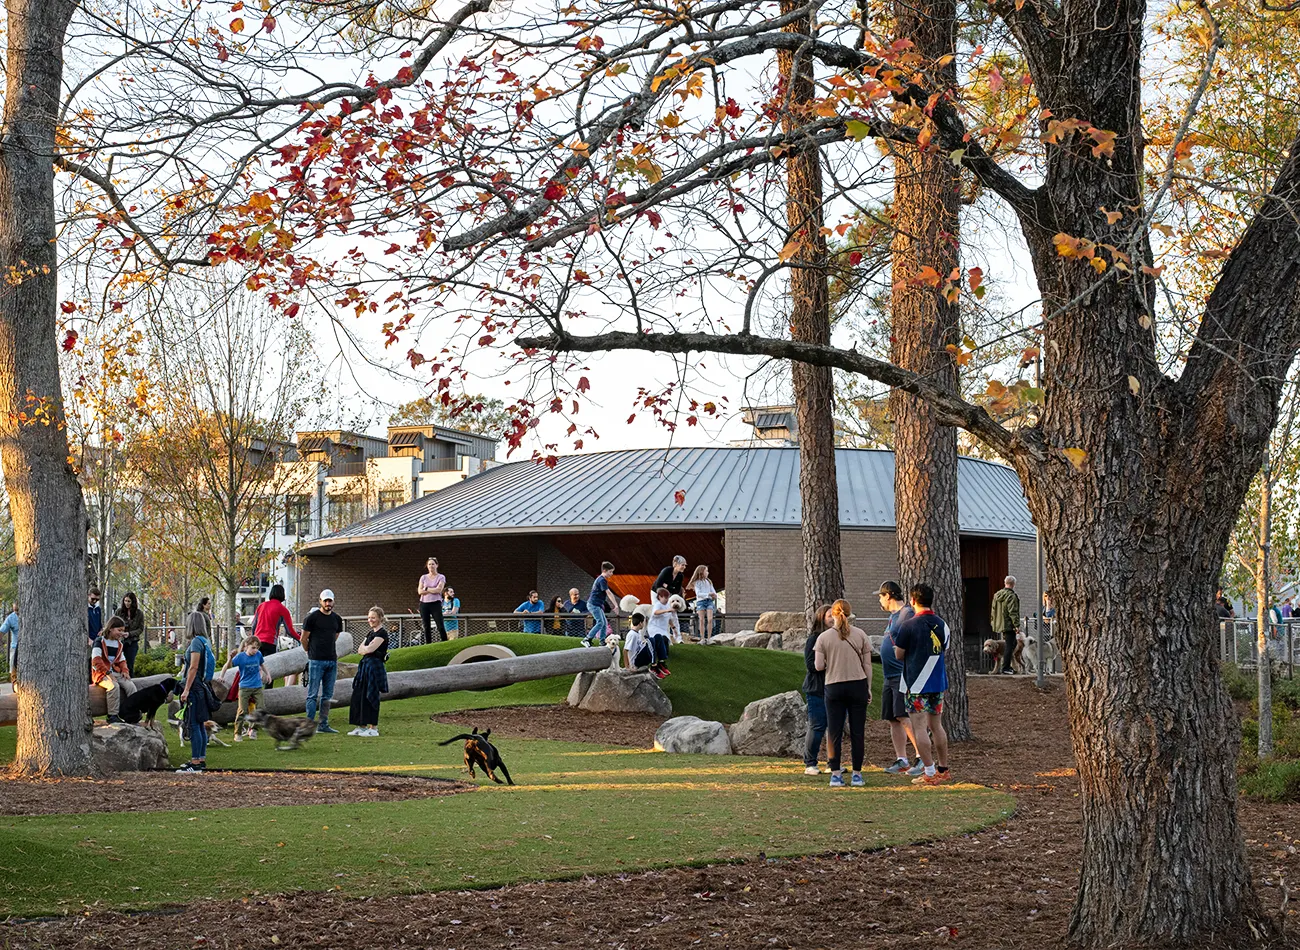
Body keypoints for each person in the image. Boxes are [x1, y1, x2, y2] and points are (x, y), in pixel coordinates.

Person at [893, 583, 952, 785]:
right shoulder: (943, 624)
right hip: (937, 682)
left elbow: (898, 654)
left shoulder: (907, 626)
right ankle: (944, 769)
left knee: (919, 727)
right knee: (937, 726)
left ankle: (929, 771)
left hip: (916, 683)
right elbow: (944, 648)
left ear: (913, 600)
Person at [814, 599, 873, 788]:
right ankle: (857, 774)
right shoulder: (861, 635)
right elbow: (867, 665)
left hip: (834, 686)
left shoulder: (823, 638)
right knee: (857, 732)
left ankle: (836, 774)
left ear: (833, 613)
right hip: (858, 684)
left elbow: (818, 665)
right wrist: (869, 688)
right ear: (849, 613)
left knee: (834, 732)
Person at [877, 582, 922, 776]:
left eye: (880, 597)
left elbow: (915, 640)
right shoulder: (892, 617)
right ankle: (901, 759)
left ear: (888, 596)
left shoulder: (907, 614)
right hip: (889, 676)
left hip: (901, 675)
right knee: (893, 718)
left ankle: (922, 758)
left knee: (904, 716)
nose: (879, 601)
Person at [176, 610, 217, 773]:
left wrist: (186, 690)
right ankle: (200, 760)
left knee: (193, 724)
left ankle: (195, 763)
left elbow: (193, 667)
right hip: (202, 686)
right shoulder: (205, 641)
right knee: (199, 724)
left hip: (194, 687)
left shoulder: (195, 643)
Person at [302, 588, 343, 733]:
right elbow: (304, 638)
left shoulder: (337, 619)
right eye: (325, 600)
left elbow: (336, 635)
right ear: (320, 601)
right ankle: (309, 724)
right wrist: (309, 651)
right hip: (316, 660)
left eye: (330, 600)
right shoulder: (312, 618)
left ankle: (323, 724)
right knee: (312, 694)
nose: (327, 603)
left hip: (331, 660)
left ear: (333, 602)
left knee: (327, 695)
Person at [349, 606, 390, 737]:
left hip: (374, 667)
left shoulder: (382, 633)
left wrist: (366, 648)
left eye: (373, 617)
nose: (370, 620)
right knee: (359, 694)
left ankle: (373, 728)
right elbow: (360, 649)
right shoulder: (370, 634)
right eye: (369, 617)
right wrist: (366, 648)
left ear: (379, 618)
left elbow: (369, 650)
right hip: (365, 666)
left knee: (371, 695)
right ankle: (361, 726)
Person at [801, 604, 830, 776]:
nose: (833, 618)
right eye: (829, 616)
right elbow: (811, 665)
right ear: (821, 618)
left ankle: (833, 762)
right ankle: (810, 762)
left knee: (835, 727)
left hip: (835, 687)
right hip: (817, 688)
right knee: (817, 726)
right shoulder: (814, 639)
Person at [221, 636, 268, 741]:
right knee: (242, 710)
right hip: (244, 687)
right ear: (246, 646)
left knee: (261, 708)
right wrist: (222, 676)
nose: (255, 650)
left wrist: (267, 674)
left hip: (257, 686)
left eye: (257, 648)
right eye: (253, 648)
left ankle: (253, 729)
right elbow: (228, 665)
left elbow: (262, 664)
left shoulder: (258, 655)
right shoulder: (240, 657)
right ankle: (237, 733)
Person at [91, 616, 136, 723]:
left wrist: (125, 671)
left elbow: (122, 660)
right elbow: (96, 661)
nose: (121, 633)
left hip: (114, 672)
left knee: (131, 686)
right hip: (101, 674)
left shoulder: (119, 644)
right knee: (113, 686)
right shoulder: (99, 641)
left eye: (123, 631)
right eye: (119, 630)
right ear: (111, 628)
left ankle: (131, 711)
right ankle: (112, 715)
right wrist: (108, 673)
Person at [252, 585, 297, 658]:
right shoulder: (283, 609)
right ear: (283, 594)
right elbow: (289, 631)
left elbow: (254, 625)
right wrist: (300, 638)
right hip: (270, 642)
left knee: (256, 665)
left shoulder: (261, 606)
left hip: (257, 641)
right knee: (269, 666)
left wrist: (254, 639)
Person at [990, 575, 1021, 674]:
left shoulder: (997, 595)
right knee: (1009, 645)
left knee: (1013, 643)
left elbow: (993, 610)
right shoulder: (1011, 596)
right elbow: (1013, 612)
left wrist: (993, 622)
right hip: (1009, 624)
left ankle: (1008, 665)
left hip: (1000, 623)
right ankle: (1006, 667)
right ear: (1014, 584)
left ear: (1005, 583)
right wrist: (1016, 625)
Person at [585, 562, 618, 646]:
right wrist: (616, 605)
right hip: (593, 604)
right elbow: (609, 593)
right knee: (600, 622)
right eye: (610, 572)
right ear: (604, 570)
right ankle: (587, 639)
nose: (612, 574)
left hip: (596, 605)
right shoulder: (602, 580)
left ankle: (602, 641)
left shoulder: (600, 579)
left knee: (604, 623)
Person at [646, 586, 675, 678]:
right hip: (654, 628)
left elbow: (669, 617)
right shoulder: (658, 604)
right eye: (665, 597)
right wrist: (667, 610)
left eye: (668, 597)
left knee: (666, 642)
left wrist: (672, 626)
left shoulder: (667, 605)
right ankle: (654, 665)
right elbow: (656, 612)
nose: (667, 599)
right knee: (659, 641)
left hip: (663, 629)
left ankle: (662, 662)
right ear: (659, 597)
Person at [114, 592, 145, 676]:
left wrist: (130, 634)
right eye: (125, 601)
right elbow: (114, 624)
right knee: (117, 663)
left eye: (129, 601)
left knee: (129, 665)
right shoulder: (119, 612)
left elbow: (140, 629)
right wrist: (120, 633)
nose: (126, 603)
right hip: (120, 641)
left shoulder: (139, 614)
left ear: (133, 602)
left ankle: (130, 682)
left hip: (132, 642)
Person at [418, 557, 447, 643]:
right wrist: (432, 589)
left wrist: (426, 588)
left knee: (440, 625)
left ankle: (445, 642)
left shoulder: (441, 577)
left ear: (437, 565)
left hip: (435, 603)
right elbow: (420, 591)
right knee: (426, 626)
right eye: (429, 564)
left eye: (433, 564)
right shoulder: (423, 577)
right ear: (427, 566)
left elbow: (439, 590)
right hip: (424, 604)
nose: (431, 566)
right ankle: (428, 644)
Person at [686, 565, 717, 643]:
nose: (708, 572)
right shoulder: (697, 583)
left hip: (709, 601)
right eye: (706, 571)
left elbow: (713, 591)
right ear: (702, 572)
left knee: (710, 619)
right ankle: (702, 638)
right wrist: (709, 594)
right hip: (701, 602)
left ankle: (709, 638)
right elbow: (698, 593)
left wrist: (714, 595)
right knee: (701, 620)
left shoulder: (709, 581)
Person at [1, 603, 17, 681]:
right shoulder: (11, 618)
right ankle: (14, 682)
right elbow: (1, 631)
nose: (16, 610)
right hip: (15, 647)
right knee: (13, 669)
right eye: (14, 609)